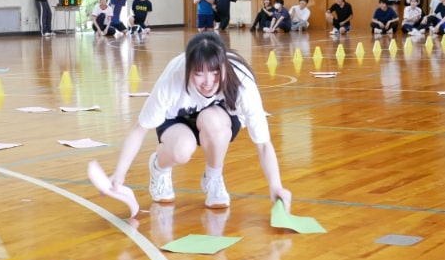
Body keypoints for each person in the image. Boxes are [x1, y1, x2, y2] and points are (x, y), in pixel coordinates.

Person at [87, 33, 293, 211]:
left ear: (224, 64)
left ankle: (213, 179)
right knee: (181, 149)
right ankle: (159, 168)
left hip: (218, 119)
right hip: (177, 123)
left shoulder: (241, 81)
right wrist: (119, 174)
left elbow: (263, 144)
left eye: (215, 72)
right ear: (188, 68)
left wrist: (276, 186)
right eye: (198, 73)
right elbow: (139, 130)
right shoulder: (172, 79)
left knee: (214, 122)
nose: (208, 82)